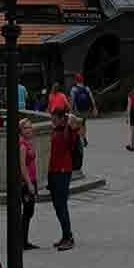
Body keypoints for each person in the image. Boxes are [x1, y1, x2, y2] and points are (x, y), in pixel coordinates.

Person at [47, 108, 78, 251]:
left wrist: (72, 125)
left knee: (61, 205)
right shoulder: (57, 129)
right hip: (54, 172)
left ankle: (69, 237)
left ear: (61, 118)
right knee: (57, 205)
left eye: (54, 117)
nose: (52, 120)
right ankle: (65, 235)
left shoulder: (67, 131)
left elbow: (73, 141)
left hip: (63, 171)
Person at [19, 118, 40, 250]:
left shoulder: (29, 142)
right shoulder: (22, 145)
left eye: (30, 127)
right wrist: (29, 184)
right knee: (27, 211)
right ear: (21, 130)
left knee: (29, 212)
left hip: (32, 179)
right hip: (27, 182)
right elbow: (22, 166)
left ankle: (23, 240)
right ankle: (22, 241)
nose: (29, 130)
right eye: (26, 128)